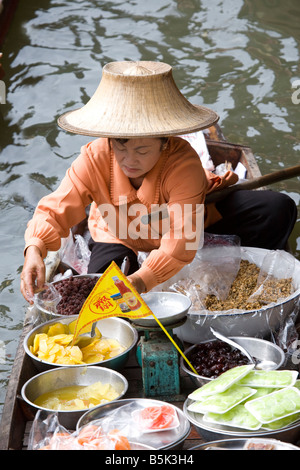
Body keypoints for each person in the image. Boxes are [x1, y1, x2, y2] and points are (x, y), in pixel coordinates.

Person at [20, 60, 297, 303]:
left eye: (142, 151)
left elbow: (181, 241)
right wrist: (34, 249)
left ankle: (245, 272)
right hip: (120, 231)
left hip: (193, 221)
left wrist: (142, 280)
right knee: (101, 288)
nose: (129, 160)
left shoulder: (183, 163)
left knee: (277, 208)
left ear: (165, 143)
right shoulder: (94, 157)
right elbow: (54, 209)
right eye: (121, 147)